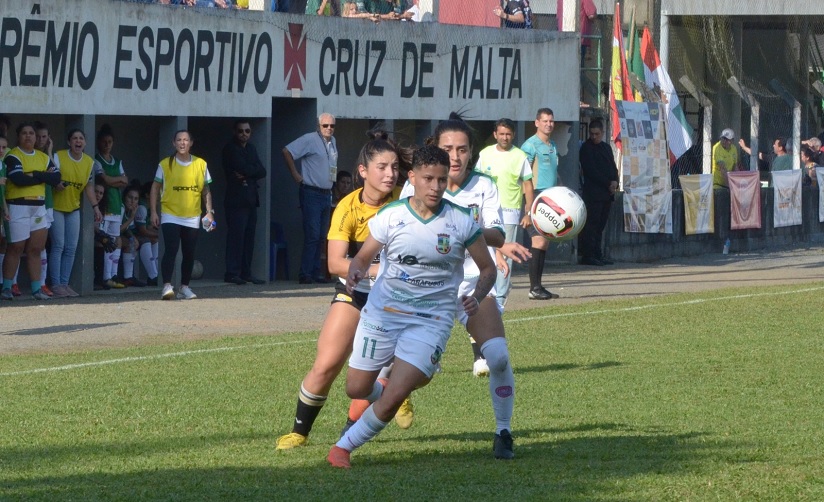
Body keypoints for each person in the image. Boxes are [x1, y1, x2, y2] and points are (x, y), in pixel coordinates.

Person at [327, 144, 497, 469]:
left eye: (442, 180)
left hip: (432, 320)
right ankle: (395, 391)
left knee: (392, 397)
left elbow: (487, 269)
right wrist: (356, 271)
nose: (435, 187)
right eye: (428, 179)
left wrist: (476, 294)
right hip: (383, 314)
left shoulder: (461, 222)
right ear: (413, 177)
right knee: (356, 388)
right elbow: (363, 256)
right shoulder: (391, 216)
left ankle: (342, 449)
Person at [276, 130, 408, 450]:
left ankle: (381, 406)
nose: (390, 173)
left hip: (398, 297)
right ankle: (299, 432)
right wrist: (381, 269)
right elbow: (336, 264)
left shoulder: (407, 201)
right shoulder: (347, 207)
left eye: (394, 167)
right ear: (363, 171)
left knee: (375, 369)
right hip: (357, 290)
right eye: (382, 167)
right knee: (327, 362)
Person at [474, 118, 534, 308]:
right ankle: (485, 292)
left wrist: (528, 211)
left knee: (506, 254)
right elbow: (476, 181)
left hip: (509, 211)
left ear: (513, 135)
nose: (505, 137)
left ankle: (500, 297)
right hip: (487, 210)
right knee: (486, 252)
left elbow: (527, 184)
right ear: (495, 135)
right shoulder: (485, 154)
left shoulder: (520, 156)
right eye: (501, 134)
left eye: (508, 134)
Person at [149, 130, 215, 300]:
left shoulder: (201, 164)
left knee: (189, 252)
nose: (182, 143)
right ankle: (166, 286)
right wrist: (154, 212)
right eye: (179, 140)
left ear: (191, 143)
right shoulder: (165, 164)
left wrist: (209, 212)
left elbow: (206, 190)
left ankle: (184, 287)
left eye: (186, 140)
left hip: (192, 215)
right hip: (170, 213)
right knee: (171, 249)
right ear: (174, 143)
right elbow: (155, 188)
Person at [1, 123, 61, 301]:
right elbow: (18, 179)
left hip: (39, 207)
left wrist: (33, 174)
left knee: (36, 248)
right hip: (18, 206)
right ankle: (6, 287)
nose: (28, 136)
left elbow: (56, 178)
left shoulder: (43, 157)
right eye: (24, 133)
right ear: (18, 136)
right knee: (15, 248)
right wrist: (42, 176)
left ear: (36, 137)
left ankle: (36, 289)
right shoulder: (12, 156)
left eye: (31, 133)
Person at [283, 113, 338, 285]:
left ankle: (316, 272)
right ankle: (305, 273)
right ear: (318, 126)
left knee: (322, 236)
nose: (328, 129)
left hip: (326, 193)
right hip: (311, 192)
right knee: (313, 235)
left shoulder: (333, 142)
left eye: (331, 126)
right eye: (325, 125)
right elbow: (287, 151)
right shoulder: (310, 139)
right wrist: (295, 174)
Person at [49, 129, 103, 298]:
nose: (78, 141)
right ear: (69, 142)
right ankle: (56, 284)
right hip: (57, 207)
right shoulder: (59, 156)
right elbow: (50, 178)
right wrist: (55, 184)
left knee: (71, 247)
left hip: (73, 208)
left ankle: (64, 284)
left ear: (85, 143)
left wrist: (95, 207)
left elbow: (88, 186)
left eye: (81, 138)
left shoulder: (89, 162)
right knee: (58, 245)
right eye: (74, 138)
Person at [520, 108, 561, 300]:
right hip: (535, 197)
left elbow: (554, 173)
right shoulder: (530, 146)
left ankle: (538, 286)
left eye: (551, 121)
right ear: (536, 123)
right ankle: (534, 288)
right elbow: (523, 177)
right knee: (538, 240)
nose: (548, 124)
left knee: (544, 243)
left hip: (549, 197)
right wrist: (528, 208)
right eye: (544, 121)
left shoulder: (552, 145)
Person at [222, 119, 267, 285]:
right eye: (240, 131)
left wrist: (248, 174)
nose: (244, 134)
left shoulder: (251, 148)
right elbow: (241, 167)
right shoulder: (230, 149)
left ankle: (246, 272)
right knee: (236, 237)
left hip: (251, 200)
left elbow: (262, 170)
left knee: (249, 238)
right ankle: (232, 273)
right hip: (236, 200)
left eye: (247, 131)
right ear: (235, 132)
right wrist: (249, 171)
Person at [578, 120, 619, 266]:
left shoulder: (606, 148)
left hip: (606, 194)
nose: (594, 136)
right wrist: (608, 183)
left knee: (600, 226)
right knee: (591, 225)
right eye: (592, 134)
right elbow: (591, 171)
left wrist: (615, 181)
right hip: (593, 194)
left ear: (602, 133)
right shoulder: (586, 148)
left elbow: (613, 168)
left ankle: (598, 254)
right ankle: (588, 255)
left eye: (597, 134)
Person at [94, 125, 129, 289]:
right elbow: (105, 181)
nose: (107, 145)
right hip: (104, 206)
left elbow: (126, 181)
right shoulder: (96, 160)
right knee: (104, 241)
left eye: (110, 142)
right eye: (104, 142)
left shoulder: (117, 161)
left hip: (116, 206)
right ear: (99, 143)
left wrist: (112, 179)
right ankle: (103, 277)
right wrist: (117, 180)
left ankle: (112, 275)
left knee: (115, 240)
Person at [120, 183, 147, 287]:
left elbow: (127, 229)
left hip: (119, 236)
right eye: (130, 197)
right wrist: (132, 217)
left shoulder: (130, 210)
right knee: (129, 243)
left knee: (133, 242)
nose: (132, 201)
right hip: (108, 236)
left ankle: (129, 278)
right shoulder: (121, 208)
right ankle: (124, 277)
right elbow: (118, 230)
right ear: (124, 197)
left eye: (136, 199)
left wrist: (132, 237)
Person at [135, 181, 160, 287]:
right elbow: (142, 231)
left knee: (154, 239)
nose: (158, 196)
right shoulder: (142, 207)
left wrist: (157, 234)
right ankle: (152, 275)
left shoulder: (150, 208)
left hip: (136, 235)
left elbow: (149, 227)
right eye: (156, 193)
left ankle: (156, 274)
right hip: (130, 235)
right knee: (147, 240)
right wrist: (158, 235)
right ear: (147, 195)